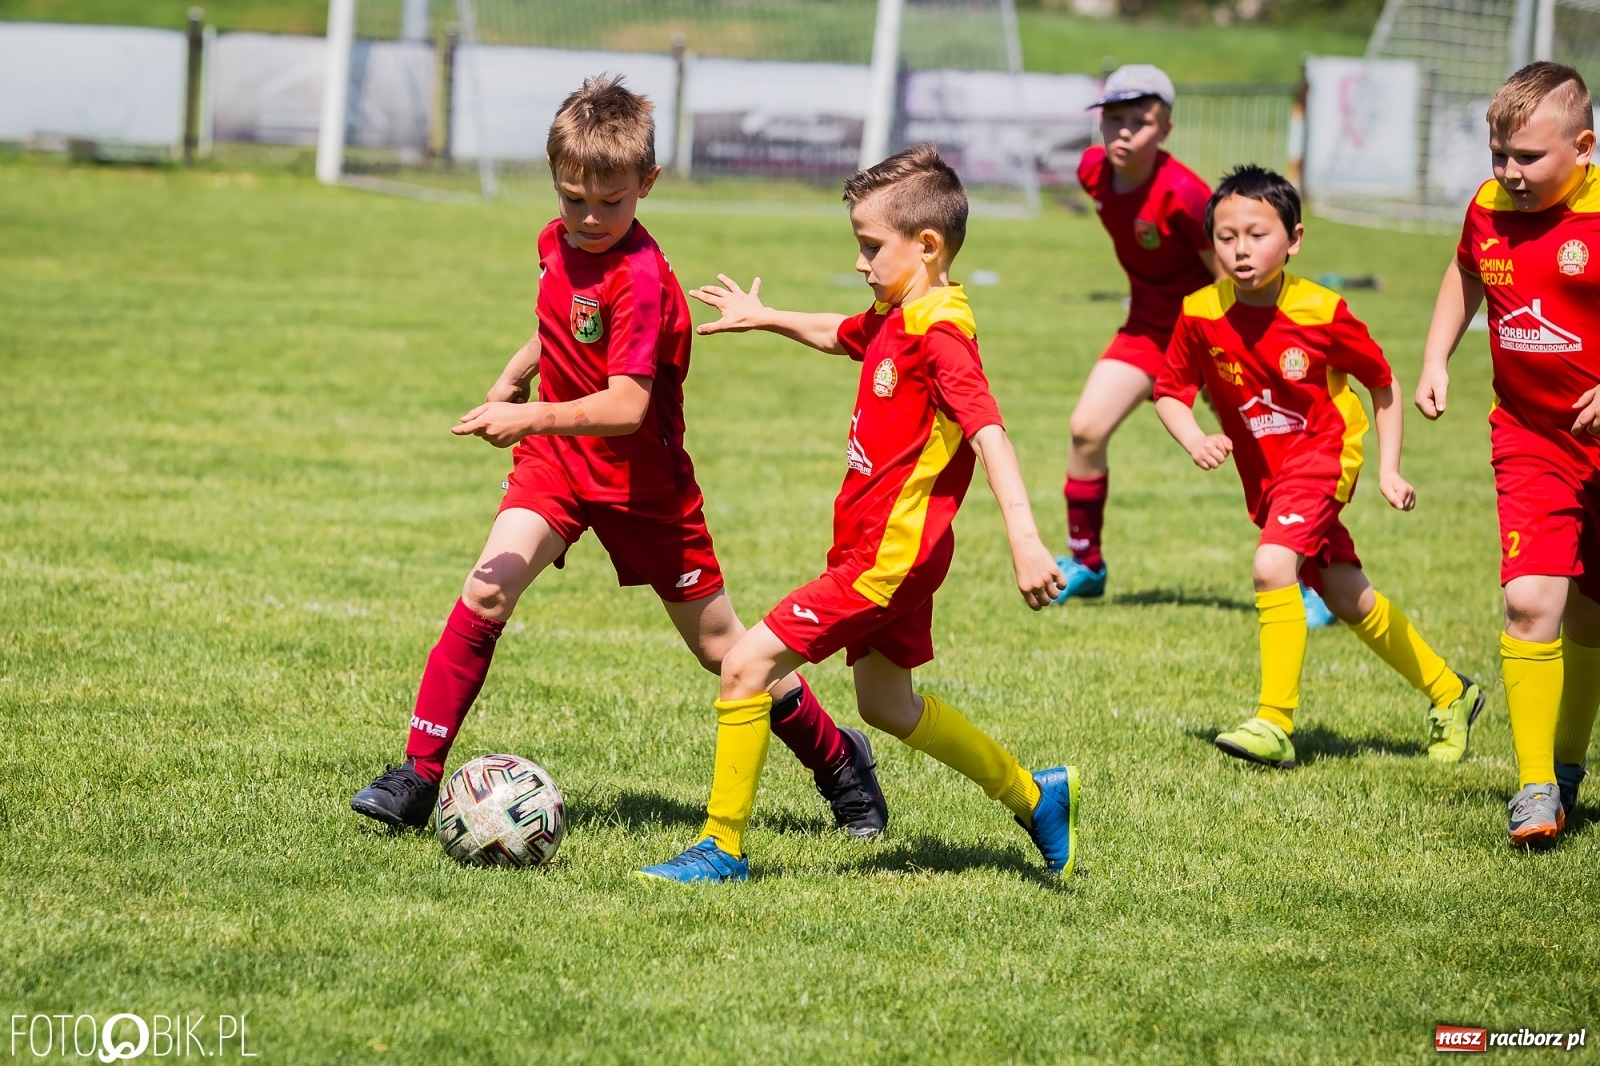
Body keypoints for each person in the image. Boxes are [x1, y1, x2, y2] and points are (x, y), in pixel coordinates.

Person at [348, 76, 887, 840]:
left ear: (647, 183)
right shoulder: (554, 239)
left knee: (720, 649)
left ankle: (839, 761)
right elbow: (562, 316)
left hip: (643, 486)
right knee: (486, 591)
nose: (590, 218)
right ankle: (416, 774)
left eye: (610, 202)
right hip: (559, 467)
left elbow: (627, 406)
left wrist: (526, 413)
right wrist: (519, 367)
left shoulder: (640, 278)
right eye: (573, 199)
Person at [635, 144, 1080, 884]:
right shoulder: (897, 314)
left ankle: (722, 847)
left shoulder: (940, 334)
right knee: (886, 705)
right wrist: (764, 315)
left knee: (745, 664)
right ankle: (1034, 796)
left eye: (872, 248)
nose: (861, 263)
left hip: (885, 559)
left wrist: (1026, 541)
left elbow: (990, 433)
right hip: (888, 554)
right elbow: (842, 334)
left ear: (927, 246)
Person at [1154, 165, 1482, 771]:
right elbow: (1169, 390)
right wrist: (1194, 435)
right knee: (1349, 597)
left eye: (1257, 234)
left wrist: (1389, 470)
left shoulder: (1323, 311)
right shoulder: (1199, 313)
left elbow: (1382, 385)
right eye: (1226, 237)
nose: (1241, 249)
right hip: (1270, 479)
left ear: (1294, 239)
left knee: (1272, 563)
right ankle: (1452, 692)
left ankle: (1274, 722)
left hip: (1325, 456)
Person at [1062, 66, 1336, 627]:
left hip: (1209, 334)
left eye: (1139, 122)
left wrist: (1232, 349)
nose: (1122, 133)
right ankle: (1087, 565)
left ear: (1165, 127)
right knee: (1086, 429)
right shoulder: (1092, 172)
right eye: (1113, 119)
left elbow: (1228, 274)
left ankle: (1319, 580)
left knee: (1269, 454)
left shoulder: (1185, 195)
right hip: (1145, 327)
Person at [1415, 62, 1599, 845]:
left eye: (1529, 157)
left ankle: (1564, 765)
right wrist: (1435, 357)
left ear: (1584, 148)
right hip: (1528, 436)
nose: (1509, 174)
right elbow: (1465, 273)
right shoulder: (1487, 207)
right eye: (1498, 154)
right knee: (1532, 603)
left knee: (1592, 613)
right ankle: (1531, 788)